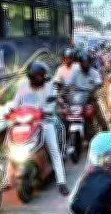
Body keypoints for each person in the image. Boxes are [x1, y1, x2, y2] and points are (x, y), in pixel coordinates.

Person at [8, 61, 69, 196]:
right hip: (26, 123)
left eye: (39, 76)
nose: (37, 79)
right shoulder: (23, 87)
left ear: (43, 76)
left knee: (54, 150)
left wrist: (46, 111)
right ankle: (7, 179)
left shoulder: (50, 87)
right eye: (34, 77)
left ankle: (62, 182)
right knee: (10, 145)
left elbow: (51, 105)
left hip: (44, 123)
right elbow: (15, 103)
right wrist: (10, 111)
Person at [67, 49, 108, 132]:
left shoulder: (94, 72)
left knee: (102, 121)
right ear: (79, 63)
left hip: (91, 100)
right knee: (67, 118)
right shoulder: (75, 72)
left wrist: (93, 88)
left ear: (90, 62)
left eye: (86, 62)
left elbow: (98, 83)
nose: (84, 64)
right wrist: (66, 91)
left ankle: (107, 136)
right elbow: (69, 84)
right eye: (82, 62)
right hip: (77, 101)